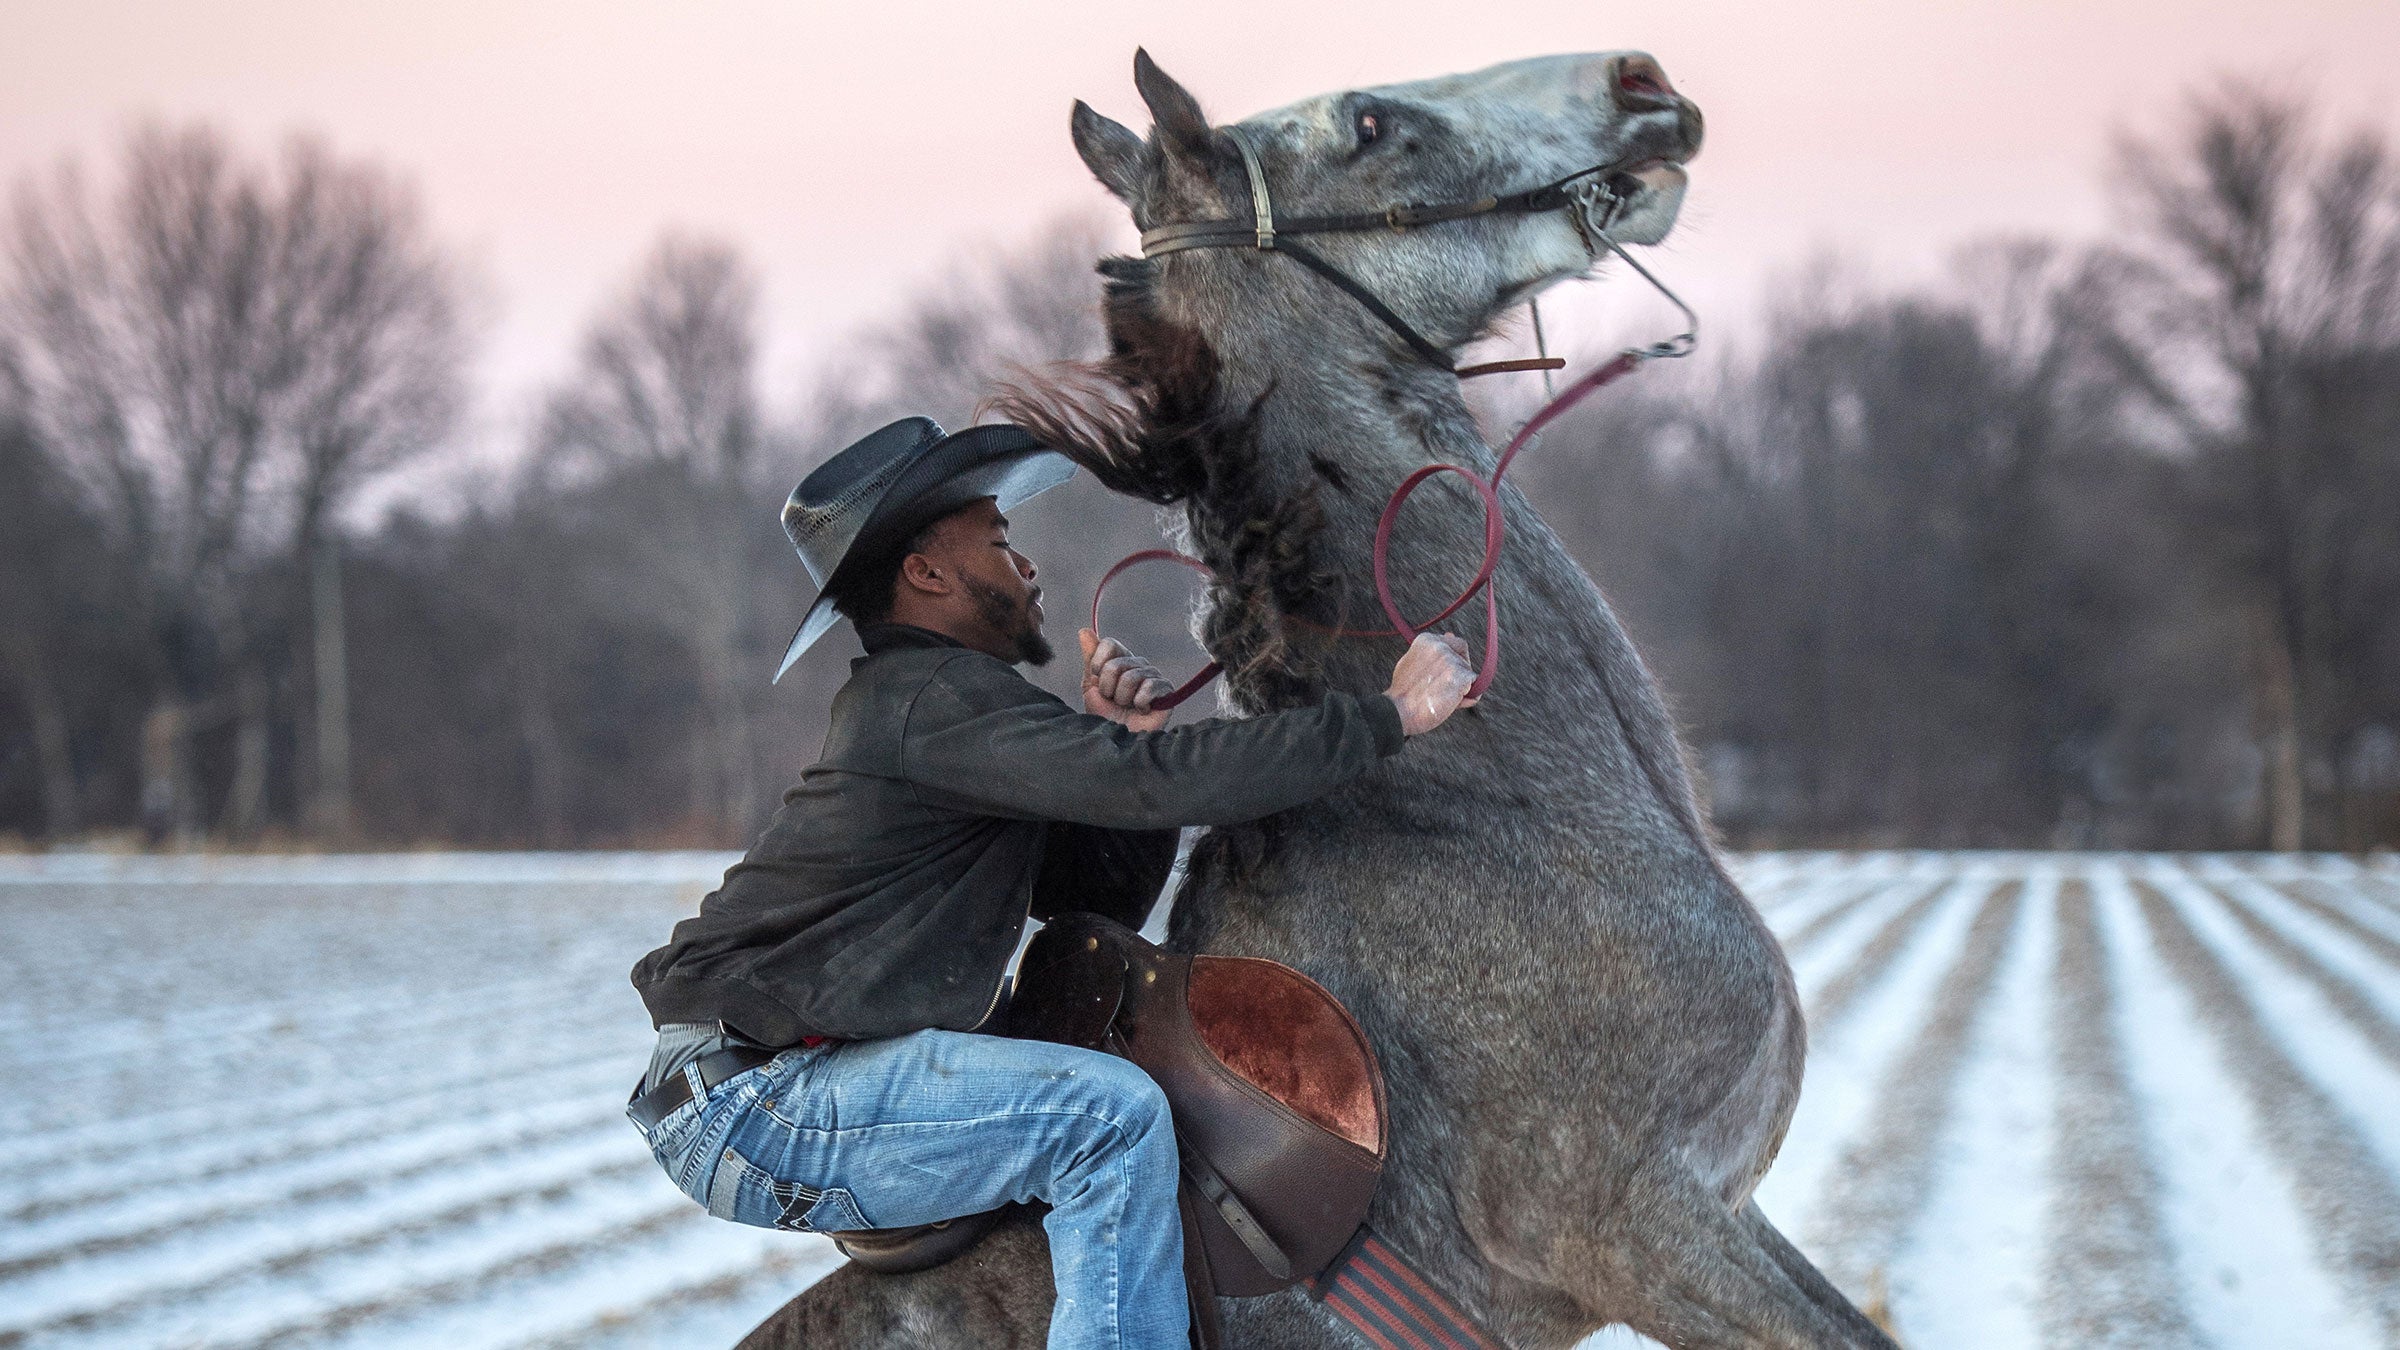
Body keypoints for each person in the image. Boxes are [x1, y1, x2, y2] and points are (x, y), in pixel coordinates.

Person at [627, 417, 1479, 1349]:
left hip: (756, 1093)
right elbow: (1142, 787)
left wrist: (1129, 740)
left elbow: (1092, 895)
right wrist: (1390, 715)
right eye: (999, 540)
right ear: (927, 574)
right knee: (1107, 1121)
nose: (1026, 567)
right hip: (763, 1097)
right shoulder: (926, 701)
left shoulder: (947, 712)